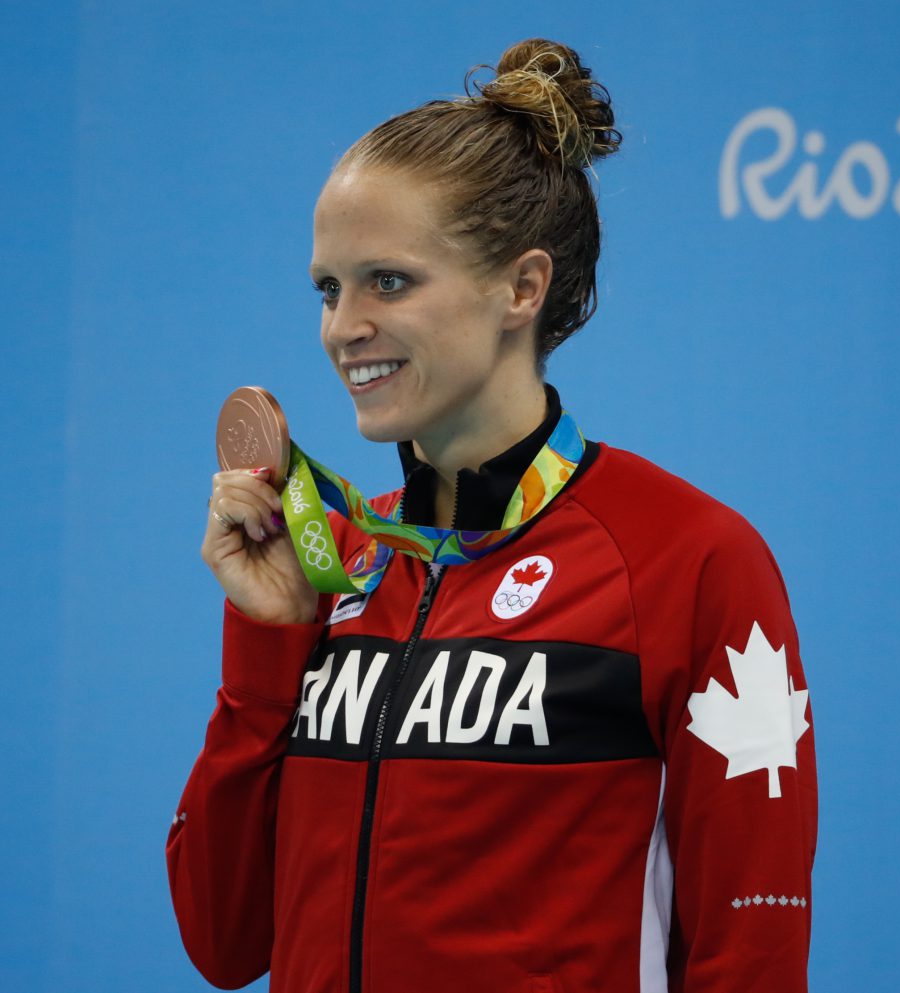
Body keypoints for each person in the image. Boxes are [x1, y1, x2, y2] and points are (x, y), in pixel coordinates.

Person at [168, 38, 817, 993]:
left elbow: (749, 959)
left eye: (388, 281)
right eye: (328, 287)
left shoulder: (691, 559)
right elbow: (226, 943)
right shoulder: (339, 562)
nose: (343, 326)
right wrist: (266, 648)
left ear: (522, 287)